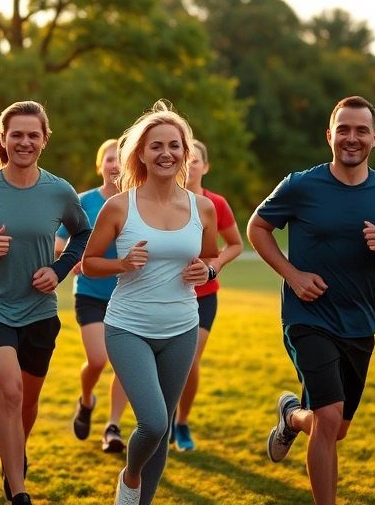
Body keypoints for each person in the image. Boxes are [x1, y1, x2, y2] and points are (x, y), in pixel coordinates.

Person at [247, 96, 375, 505]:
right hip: (307, 316)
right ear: (329, 136)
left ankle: (291, 416)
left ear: (374, 138)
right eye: (343, 129)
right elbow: (257, 226)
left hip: (359, 324)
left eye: (361, 130)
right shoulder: (300, 185)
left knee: (335, 427)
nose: (351, 137)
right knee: (328, 417)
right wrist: (292, 275)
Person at [0, 101, 91, 505]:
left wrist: (60, 269)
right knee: (9, 393)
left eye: (32, 135)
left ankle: (13, 455)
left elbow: (83, 233)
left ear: (44, 140)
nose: (24, 141)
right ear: (4, 139)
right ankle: (19, 491)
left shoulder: (59, 191)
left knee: (27, 401)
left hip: (40, 310)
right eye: (16, 134)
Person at [82, 100, 218, 505]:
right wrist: (122, 263)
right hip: (128, 327)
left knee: (161, 431)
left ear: (185, 153)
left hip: (181, 328)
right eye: (156, 145)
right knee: (155, 422)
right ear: (140, 153)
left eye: (174, 145)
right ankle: (131, 474)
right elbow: (89, 263)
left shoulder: (202, 207)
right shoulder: (119, 206)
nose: (166, 153)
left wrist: (206, 271)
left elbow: (212, 257)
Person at [55, 139, 129, 453]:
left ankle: (112, 426)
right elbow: (59, 243)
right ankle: (86, 400)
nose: (115, 165)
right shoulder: (83, 202)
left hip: (128, 294)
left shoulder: (136, 202)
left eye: (121, 160)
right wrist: (77, 259)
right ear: (100, 165)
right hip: (90, 294)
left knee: (125, 364)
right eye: (110, 159)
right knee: (98, 360)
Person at [171, 139, 244, 451]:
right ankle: (162, 420)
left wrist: (212, 268)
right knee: (165, 362)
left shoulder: (216, 204)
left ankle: (182, 423)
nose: (189, 167)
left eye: (196, 161)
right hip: (166, 294)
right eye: (185, 160)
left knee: (189, 361)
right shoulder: (163, 201)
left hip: (202, 296)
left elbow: (235, 244)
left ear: (205, 166)